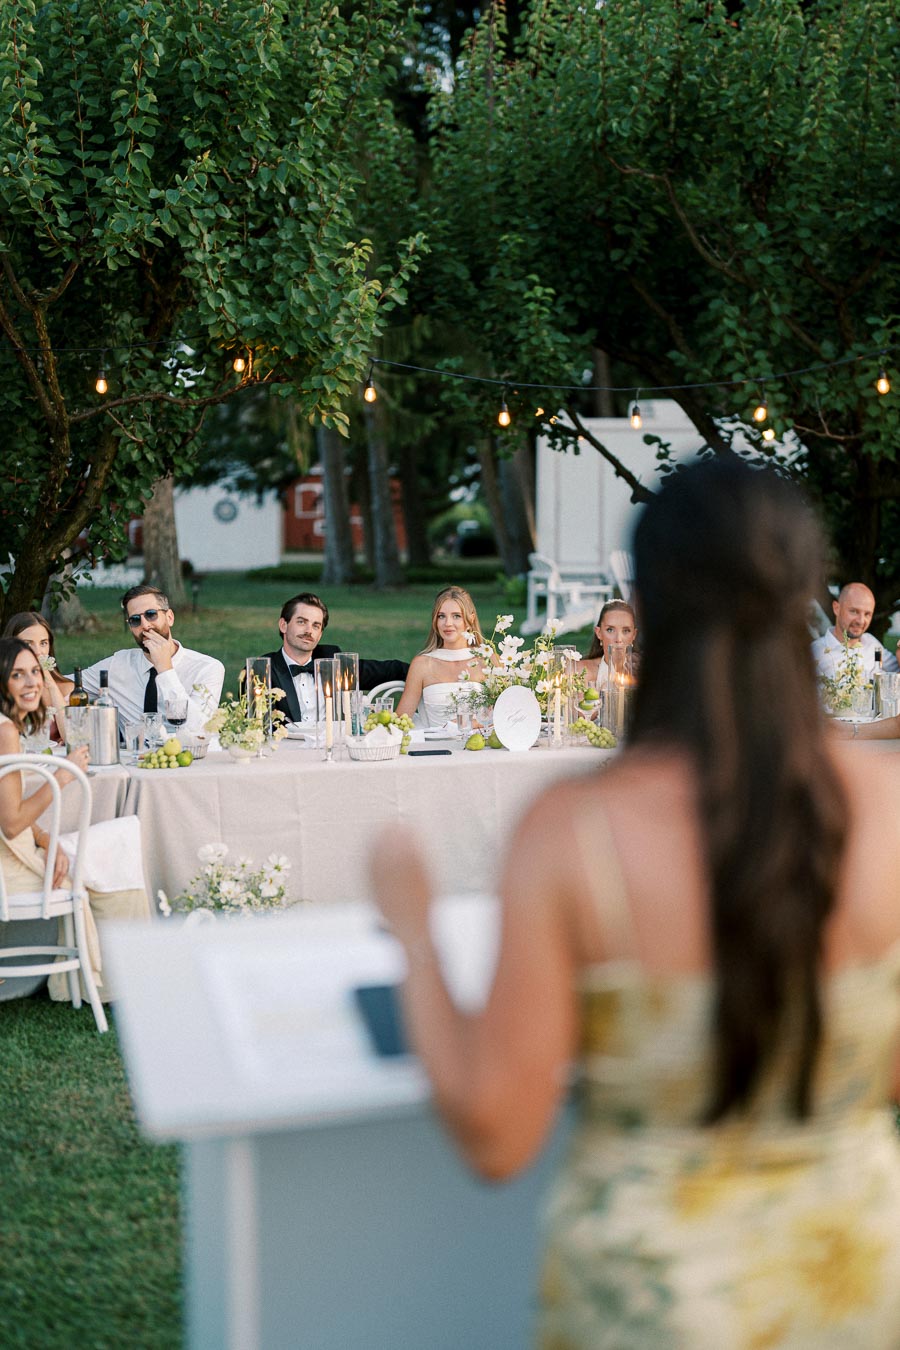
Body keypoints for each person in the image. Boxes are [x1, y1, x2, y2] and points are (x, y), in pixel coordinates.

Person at [372, 457, 900, 1347]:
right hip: (853, 1290)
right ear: (806, 601)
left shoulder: (574, 832)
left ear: (646, 611)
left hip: (646, 1306)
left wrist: (415, 932)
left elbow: (497, 1133)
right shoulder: (887, 813)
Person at [0, 638, 151, 1003]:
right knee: (120, 841)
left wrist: (46, 839)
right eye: (17, 675)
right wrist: (64, 776)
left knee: (113, 840)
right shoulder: (5, 731)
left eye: (35, 671)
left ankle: (111, 974)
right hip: (9, 869)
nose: (31, 682)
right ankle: (123, 979)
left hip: (17, 851)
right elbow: (10, 823)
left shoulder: (7, 727)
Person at [79, 584, 225, 734]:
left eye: (151, 614)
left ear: (169, 617)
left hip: (187, 754)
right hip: (134, 755)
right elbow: (67, 686)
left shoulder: (207, 668)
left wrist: (165, 670)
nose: (145, 625)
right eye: (135, 620)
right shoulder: (118, 664)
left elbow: (200, 729)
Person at [264, 592, 409, 724]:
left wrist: (424, 670)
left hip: (331, 746)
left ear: (320, 634)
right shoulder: (263, 671)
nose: (309, 631)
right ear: (283, 625)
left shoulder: (332, 660)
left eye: (316, 626)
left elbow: (389, 670)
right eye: (301, 622)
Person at [395, 586, 494, 729]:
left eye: (456, 616)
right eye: (441, 616)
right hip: (435, 749)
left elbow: (504, 716)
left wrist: (463, 725)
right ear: (435, 620)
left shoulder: (487, 660)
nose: (448, 623)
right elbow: (400, 721)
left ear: (470, 619)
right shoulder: (422, 664)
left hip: (482, 748)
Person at [2, 611, 74, 746]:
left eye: (43, 643)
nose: (38, 651)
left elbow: (72, 739)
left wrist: (50, 684)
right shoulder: (7, 687)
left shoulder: (66, 688)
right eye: (28, 643)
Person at [811, 581, 899, 678]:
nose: (861, 621)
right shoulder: (815, 653)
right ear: (836, 608)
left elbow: (896, 673)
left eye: (867, 614)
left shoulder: (872, 644)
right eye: (854, 611)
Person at [575, 599, 638, 689]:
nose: (618, 639)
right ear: (599, 633)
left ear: (634, 635)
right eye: (610, 630)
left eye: (626, 630)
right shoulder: (581, 670)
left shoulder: (646, 672)